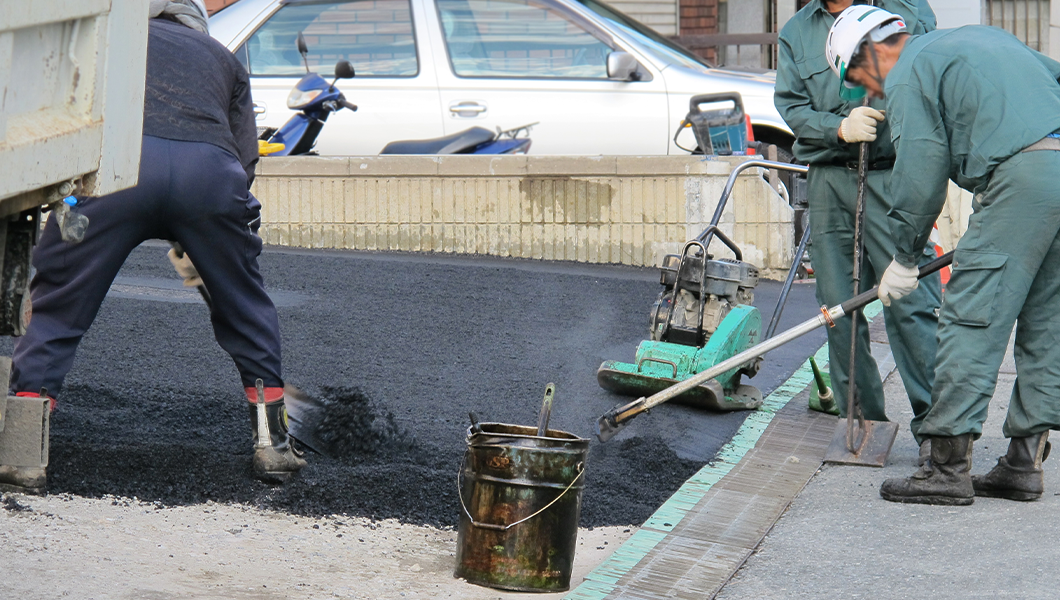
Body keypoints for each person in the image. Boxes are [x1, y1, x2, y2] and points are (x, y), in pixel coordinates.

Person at [0, 0, 305, 494]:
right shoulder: (221, 56)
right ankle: (272, 445)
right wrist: (211, 230)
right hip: (209, 179)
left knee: (59, 304)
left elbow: (60, 118)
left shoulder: (103, 40)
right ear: (194, 20)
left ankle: (23, 455)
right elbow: (244, 157)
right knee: (246, 304)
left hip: (116, 175)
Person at [827, 6, 1060, 505]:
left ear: (872, 50)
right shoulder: (981, 39)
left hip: (1022, 177)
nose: (868, 92)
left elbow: (921, 173)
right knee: (1047, 320)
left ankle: (946, 468)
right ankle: (1024, 463)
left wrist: (904, 256)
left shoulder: (910, 72)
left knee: (971, 315)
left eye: (857, 79)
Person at [775, 0, 942, 460]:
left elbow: (928, 70)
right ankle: (862, 421)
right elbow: (790, 104)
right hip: (830, 177)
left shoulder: (902, 10)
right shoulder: (796, 30)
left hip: (892, 174)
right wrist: (837, 128)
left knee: (912, 301)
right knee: (838, 306)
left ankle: (939, 432)